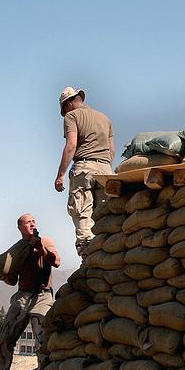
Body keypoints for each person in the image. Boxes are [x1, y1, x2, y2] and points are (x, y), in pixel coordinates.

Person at [0, 214, 60, 370]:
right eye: (28, 222)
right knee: (6, 336)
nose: (33, 223)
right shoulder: (18, 249)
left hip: (42, 296)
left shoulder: (45, 241)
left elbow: (56, 261)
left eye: (34, 221)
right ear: (20, 227)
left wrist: (40, 249)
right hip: (23, 295)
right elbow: (9, 272)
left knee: (43, 339)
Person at [54, 86, 114, 256]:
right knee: (104, 216)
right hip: (105, 169)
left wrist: (60, 175)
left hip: (84, 168)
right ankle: (106, 255)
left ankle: (88, 261)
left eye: (64, 109)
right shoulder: (105, 119)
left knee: (82, 215)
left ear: (69, 103)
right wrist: (103, 165)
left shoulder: (72, 116)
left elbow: (71, 145)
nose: (65, 113)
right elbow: (111, 150)